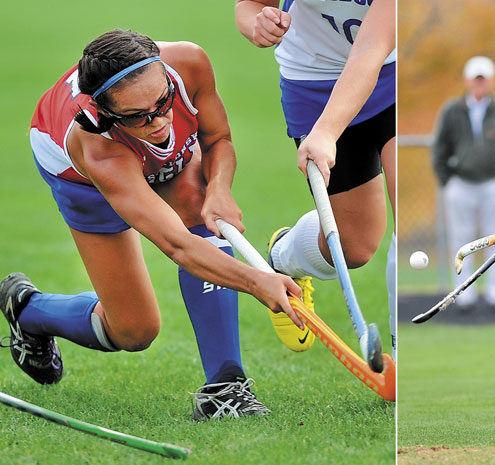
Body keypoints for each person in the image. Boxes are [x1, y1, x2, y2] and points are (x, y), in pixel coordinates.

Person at [2, 29, 305, 421]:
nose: (160, 121)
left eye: (164, 102)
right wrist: (256, 281)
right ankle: (28, 311)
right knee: (134, 332)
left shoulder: (189, 63)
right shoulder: (97, 147)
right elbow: (177, 245)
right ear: (108, 113)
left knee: (196, 202)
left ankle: (224, 389)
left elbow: (217, 138)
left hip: (138, 146)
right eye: (137, 116)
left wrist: (219, 189)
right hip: (77, 176)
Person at [234, 0, 397, 359]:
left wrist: (326, 132)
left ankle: (402, 362)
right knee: (356, 247)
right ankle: (283, 256)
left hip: (392, 73)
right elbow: (249, 5)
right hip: (313, 83)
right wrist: (256, 24)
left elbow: (371, 48)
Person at [432, 56, 495, 313]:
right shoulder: (452, 110)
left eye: (483, 78)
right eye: (476, 78)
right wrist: (448, 180)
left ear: (490, 81)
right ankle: (463, 295)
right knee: (460, 240)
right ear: (468, 80)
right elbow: (439, 148)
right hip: (461, 183)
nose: (479, 83)